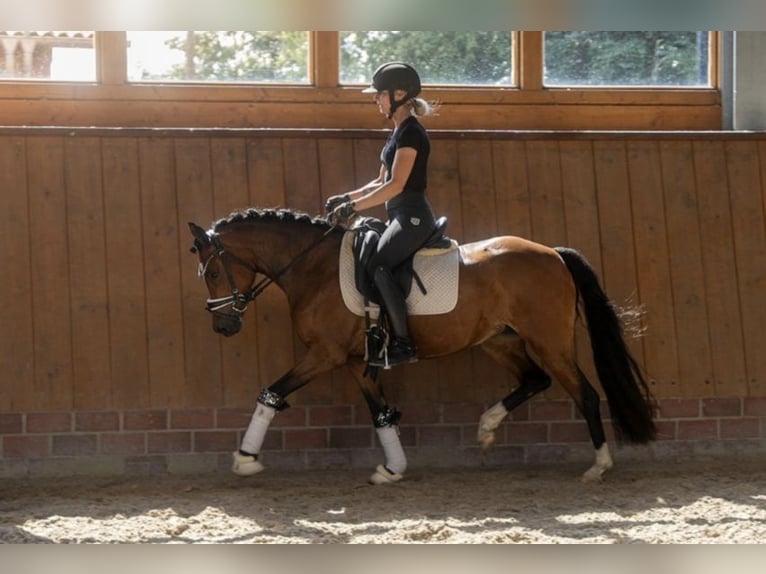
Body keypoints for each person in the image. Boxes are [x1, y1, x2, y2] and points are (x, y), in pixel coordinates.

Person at [326, 62, 439, 368]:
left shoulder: (412, 133)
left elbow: (396, 184)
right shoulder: (397, 133)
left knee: (378, 265)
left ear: (400, 94)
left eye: (380, 94)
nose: (376, 99)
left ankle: (404, 343)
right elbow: (378, 182)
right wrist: (346, 197)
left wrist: (354, 208)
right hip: (399, 215)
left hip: (413, 218)